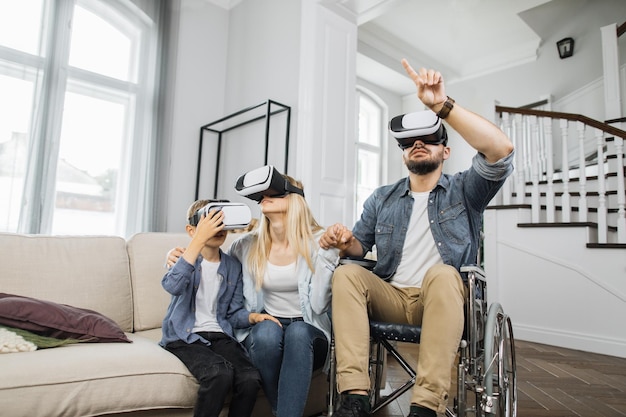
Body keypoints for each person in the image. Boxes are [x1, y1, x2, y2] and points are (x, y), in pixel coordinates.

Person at [319, 58, 515, 417]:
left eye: (429, 139)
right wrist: (343, 240)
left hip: (441, 299)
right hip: (392, 294)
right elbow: (360, 246)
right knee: (346, 273)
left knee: (442, 273)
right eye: (409, 142)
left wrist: (441, 106)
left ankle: (424, 407)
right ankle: (355, 398)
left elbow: (500, 151)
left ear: (447, 151)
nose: (418, 144)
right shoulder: (383, 197)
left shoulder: (464, 191)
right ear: (403, 153)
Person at [166, 170, 340, 417]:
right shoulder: (244, 246)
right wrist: (174, 255)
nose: (263, 198)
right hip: (269, 325)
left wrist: (330, 255)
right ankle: (285, 410)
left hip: (309, 328)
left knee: (299, 333)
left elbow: (321, 305)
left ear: (294, 199)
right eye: (261, 195)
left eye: (274, 192)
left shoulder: (319, 242)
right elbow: (204, 264)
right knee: (267, 333)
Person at [160, 199, 274, 417]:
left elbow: (232, 314)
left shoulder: (232, 266)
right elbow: (172, 286)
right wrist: (196, 243)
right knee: (218, 373)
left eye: (221, 221)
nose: (218, 227)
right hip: (184, 338)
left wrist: (253, 317)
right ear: (192, 230)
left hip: (220, 336)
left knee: (250, 378)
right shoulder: (184, 258)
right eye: (210, 222)